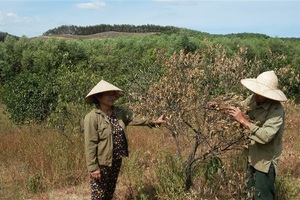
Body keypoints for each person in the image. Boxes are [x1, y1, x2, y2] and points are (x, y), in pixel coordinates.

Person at [84, 79, 166, 200]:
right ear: (99, 97)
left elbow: (135, 119)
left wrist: (153, 122)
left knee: (109, 191)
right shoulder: (92, 117)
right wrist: (93, 167)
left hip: (116, 159)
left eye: (113, 94)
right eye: (109, 94)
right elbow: (90, 144)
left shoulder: (119, 113)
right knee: (98, 195)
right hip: (102, 163)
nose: (112, 97)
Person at [227, 71, 287, 199]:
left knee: (262, 196)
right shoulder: (253, 99)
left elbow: (265, 136)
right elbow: (240, 107)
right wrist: (221, 106)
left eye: (260, 93)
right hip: (251, 157)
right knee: (249, 194)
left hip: (265, 162)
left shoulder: (276, 111)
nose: (256, 94)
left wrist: (243, 121)